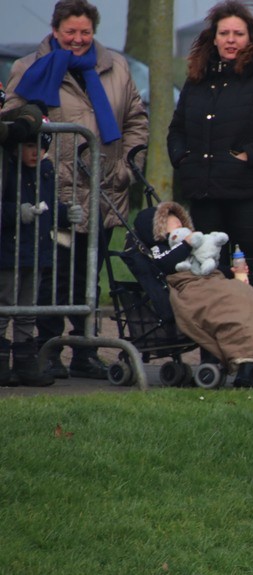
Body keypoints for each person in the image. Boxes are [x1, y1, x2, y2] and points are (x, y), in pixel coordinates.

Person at [4, 0, 149, 379]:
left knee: (90, 276)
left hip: (104, 189)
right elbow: (14, 119)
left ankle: (85, 352)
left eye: (85, 32)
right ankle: (47, 350)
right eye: (70, 32)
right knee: (51, 276)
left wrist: (125, 168)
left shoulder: (116, 67)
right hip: (53, 193)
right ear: (55, 30)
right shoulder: (29, 67)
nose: (78, 39)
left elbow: (136, 119)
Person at [167, 0, 253, 302]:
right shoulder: (197, 80)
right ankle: (214, 335)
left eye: (238, 34)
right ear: (213, 38)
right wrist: (182, 158)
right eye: (224, 33)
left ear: (251, 38)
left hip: (252, 193)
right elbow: (177, 128)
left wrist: (247, 155)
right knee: (208, 273)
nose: (231, 40)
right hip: (205, 193)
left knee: (246, 273)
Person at [133, 201, 253, 389]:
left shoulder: (196, 246)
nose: (178, 222)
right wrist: (186, 244)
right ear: (159, 228)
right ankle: (247, 361)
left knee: (250, 299)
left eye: (180, 220)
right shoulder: (160, 249)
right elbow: (165, 265)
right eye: (172, 221)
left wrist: (231, 271)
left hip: (212, 282)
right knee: (229, 309)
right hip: (191, 289)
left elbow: (210, 267)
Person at [1, 120, 84, 386]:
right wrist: (16, 212)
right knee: (4, 306)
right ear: (17, 147)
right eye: (30, 146)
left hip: (36, 252)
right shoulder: (7, 168)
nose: (36, 152)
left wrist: (65, 214)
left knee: (28, 310)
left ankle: (25, 362)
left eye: (41, 147)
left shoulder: (45, 171)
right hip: (9, 253)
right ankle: (2, 363)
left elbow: (48, 207)